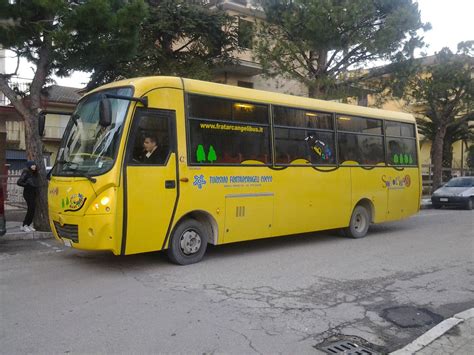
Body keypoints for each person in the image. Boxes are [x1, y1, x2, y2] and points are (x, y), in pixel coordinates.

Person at [17, 161, 39, 232]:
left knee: (33, 209)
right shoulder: (26, 172)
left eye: (34, 165)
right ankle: (24, 225)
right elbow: (19, 182)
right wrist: (27, 184)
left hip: (33, 193)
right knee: (30, 209)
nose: (34, 166)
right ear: (29, 166)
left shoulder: (35, 173)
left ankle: (28, 224)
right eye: (32, 165)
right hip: (27, 193)